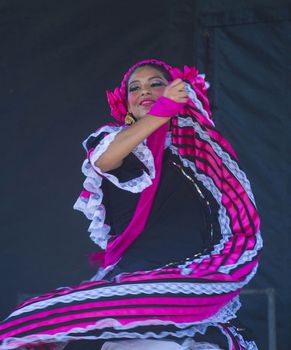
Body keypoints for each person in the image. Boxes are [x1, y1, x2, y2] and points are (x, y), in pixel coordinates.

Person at [0, 59, 262, 350]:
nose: (145, 92)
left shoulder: (198, 152)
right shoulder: (114, 140)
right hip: (137, 284)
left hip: (194, 281)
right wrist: (162, 112)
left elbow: (234, 214)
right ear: (126, 106)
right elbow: (104, 160)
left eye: (156, 84)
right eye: (134, 88)